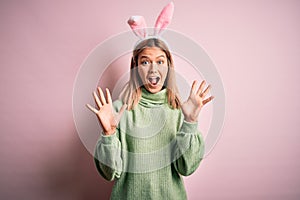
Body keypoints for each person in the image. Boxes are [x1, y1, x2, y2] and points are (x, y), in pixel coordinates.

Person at [86, 2, 214, 199]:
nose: (153, 70)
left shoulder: (180, 110)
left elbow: (186, 168)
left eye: (160, 62)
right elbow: (109, 173)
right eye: (145, 62)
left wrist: (190, 123)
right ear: (136, 67)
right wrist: (109, 133)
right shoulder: (120, 110)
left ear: (168, 66)